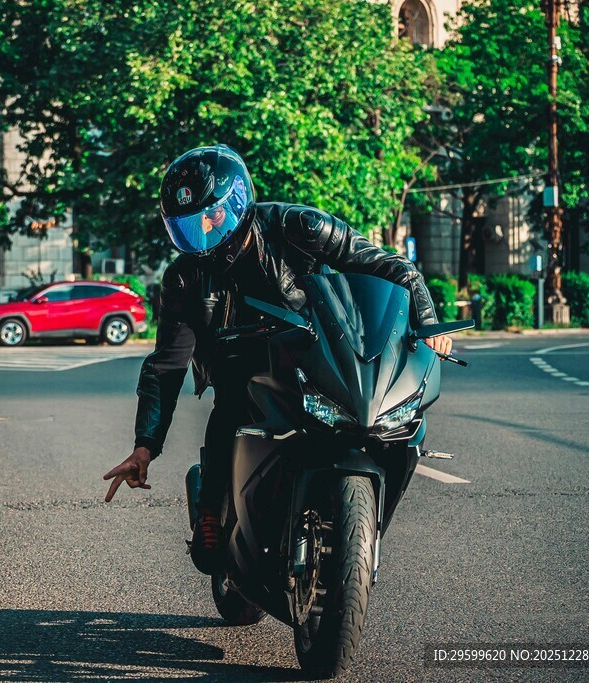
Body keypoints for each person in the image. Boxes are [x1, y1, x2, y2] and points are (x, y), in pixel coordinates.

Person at [103, 144, 451, 575]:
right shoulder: (183, 278)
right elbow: (167, 365)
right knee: (230, 408)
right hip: (238, 364)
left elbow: (391, 268)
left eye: (212, 215)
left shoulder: (299, 227)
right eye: (189, 224)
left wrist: (428, 323)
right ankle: (212, 508)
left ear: (236, 201)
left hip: (312, 350)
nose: (203, 230)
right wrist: (144, 446)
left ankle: (360, 523)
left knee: (385, 422)